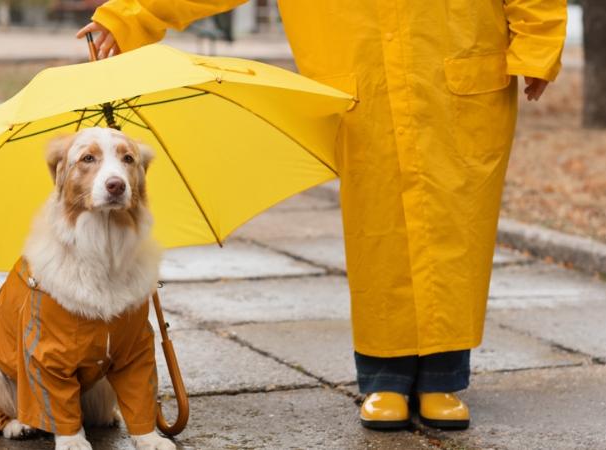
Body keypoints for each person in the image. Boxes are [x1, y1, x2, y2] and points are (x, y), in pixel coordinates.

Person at [77, 0, 566, 430]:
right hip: (363, 86)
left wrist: (538, 44)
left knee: (456, 230)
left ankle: (444, 377)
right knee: (376, 231)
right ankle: (385, 377)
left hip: (455, 76)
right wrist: (129, 15)